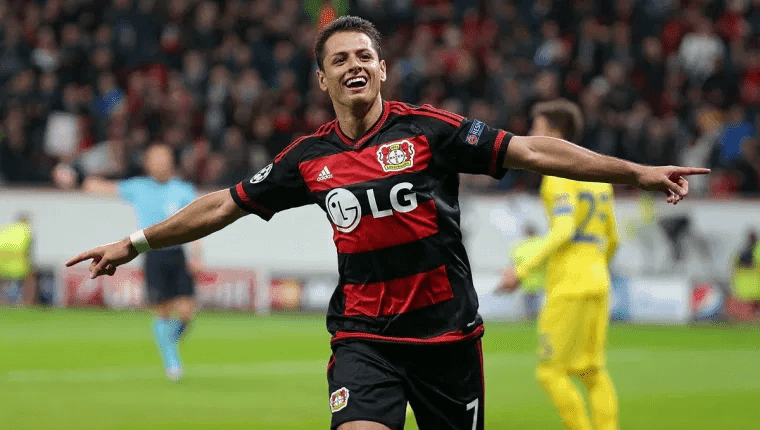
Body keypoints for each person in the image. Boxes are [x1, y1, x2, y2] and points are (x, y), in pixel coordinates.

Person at [66, 16, 708, 430]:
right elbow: (223, 204)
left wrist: (637, 172)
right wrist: (134, 242)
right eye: (340, 59)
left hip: (447, 339)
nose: (354, 65)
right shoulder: (309, 158)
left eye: (364, 56)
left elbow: (534, 151)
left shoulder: (430, 131)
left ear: (381, 69)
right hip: (364, 338)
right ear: (323, 79)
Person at [496, 99, 621, 430]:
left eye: (536, 128)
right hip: (598, 279)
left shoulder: (560, 173)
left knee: (550, 372)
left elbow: (564, 230)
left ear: (555, 132)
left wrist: (521, 270)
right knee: (593, 371)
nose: (530, 134)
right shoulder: (599, 176)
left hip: (569, 284)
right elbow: (613, 239)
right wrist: (595, 267)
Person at [58, 144, 201, 381]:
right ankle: (172, 362)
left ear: (171, 161)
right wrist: (74, 177)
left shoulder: (183, 190)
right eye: (155, 159)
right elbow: (100, 187)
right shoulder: (138, 187)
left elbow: (195, 223)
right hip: (153, 254)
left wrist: (197, 254)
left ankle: (167, 342)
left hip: (178, 254)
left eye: (163, 158)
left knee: (187, 312)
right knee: (163, 311)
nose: (160, 163)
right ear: (148, 163)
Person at [503, 224, 545, 320]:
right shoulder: (541, 244)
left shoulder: (521, 246)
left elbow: (514, 263)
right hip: (539, 281)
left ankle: (529, 317)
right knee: (537, 305)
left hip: (525, 281)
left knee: (528, 305)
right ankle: (535, 317)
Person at [0, 213, 35, 305]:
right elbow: (28, 251)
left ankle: (3, 302)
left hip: (2, 260)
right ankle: (26, 302)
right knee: (29, 279)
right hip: (18, 261)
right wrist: (30, 265)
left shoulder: (8, 229)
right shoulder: (26, 231)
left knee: (4, 281)